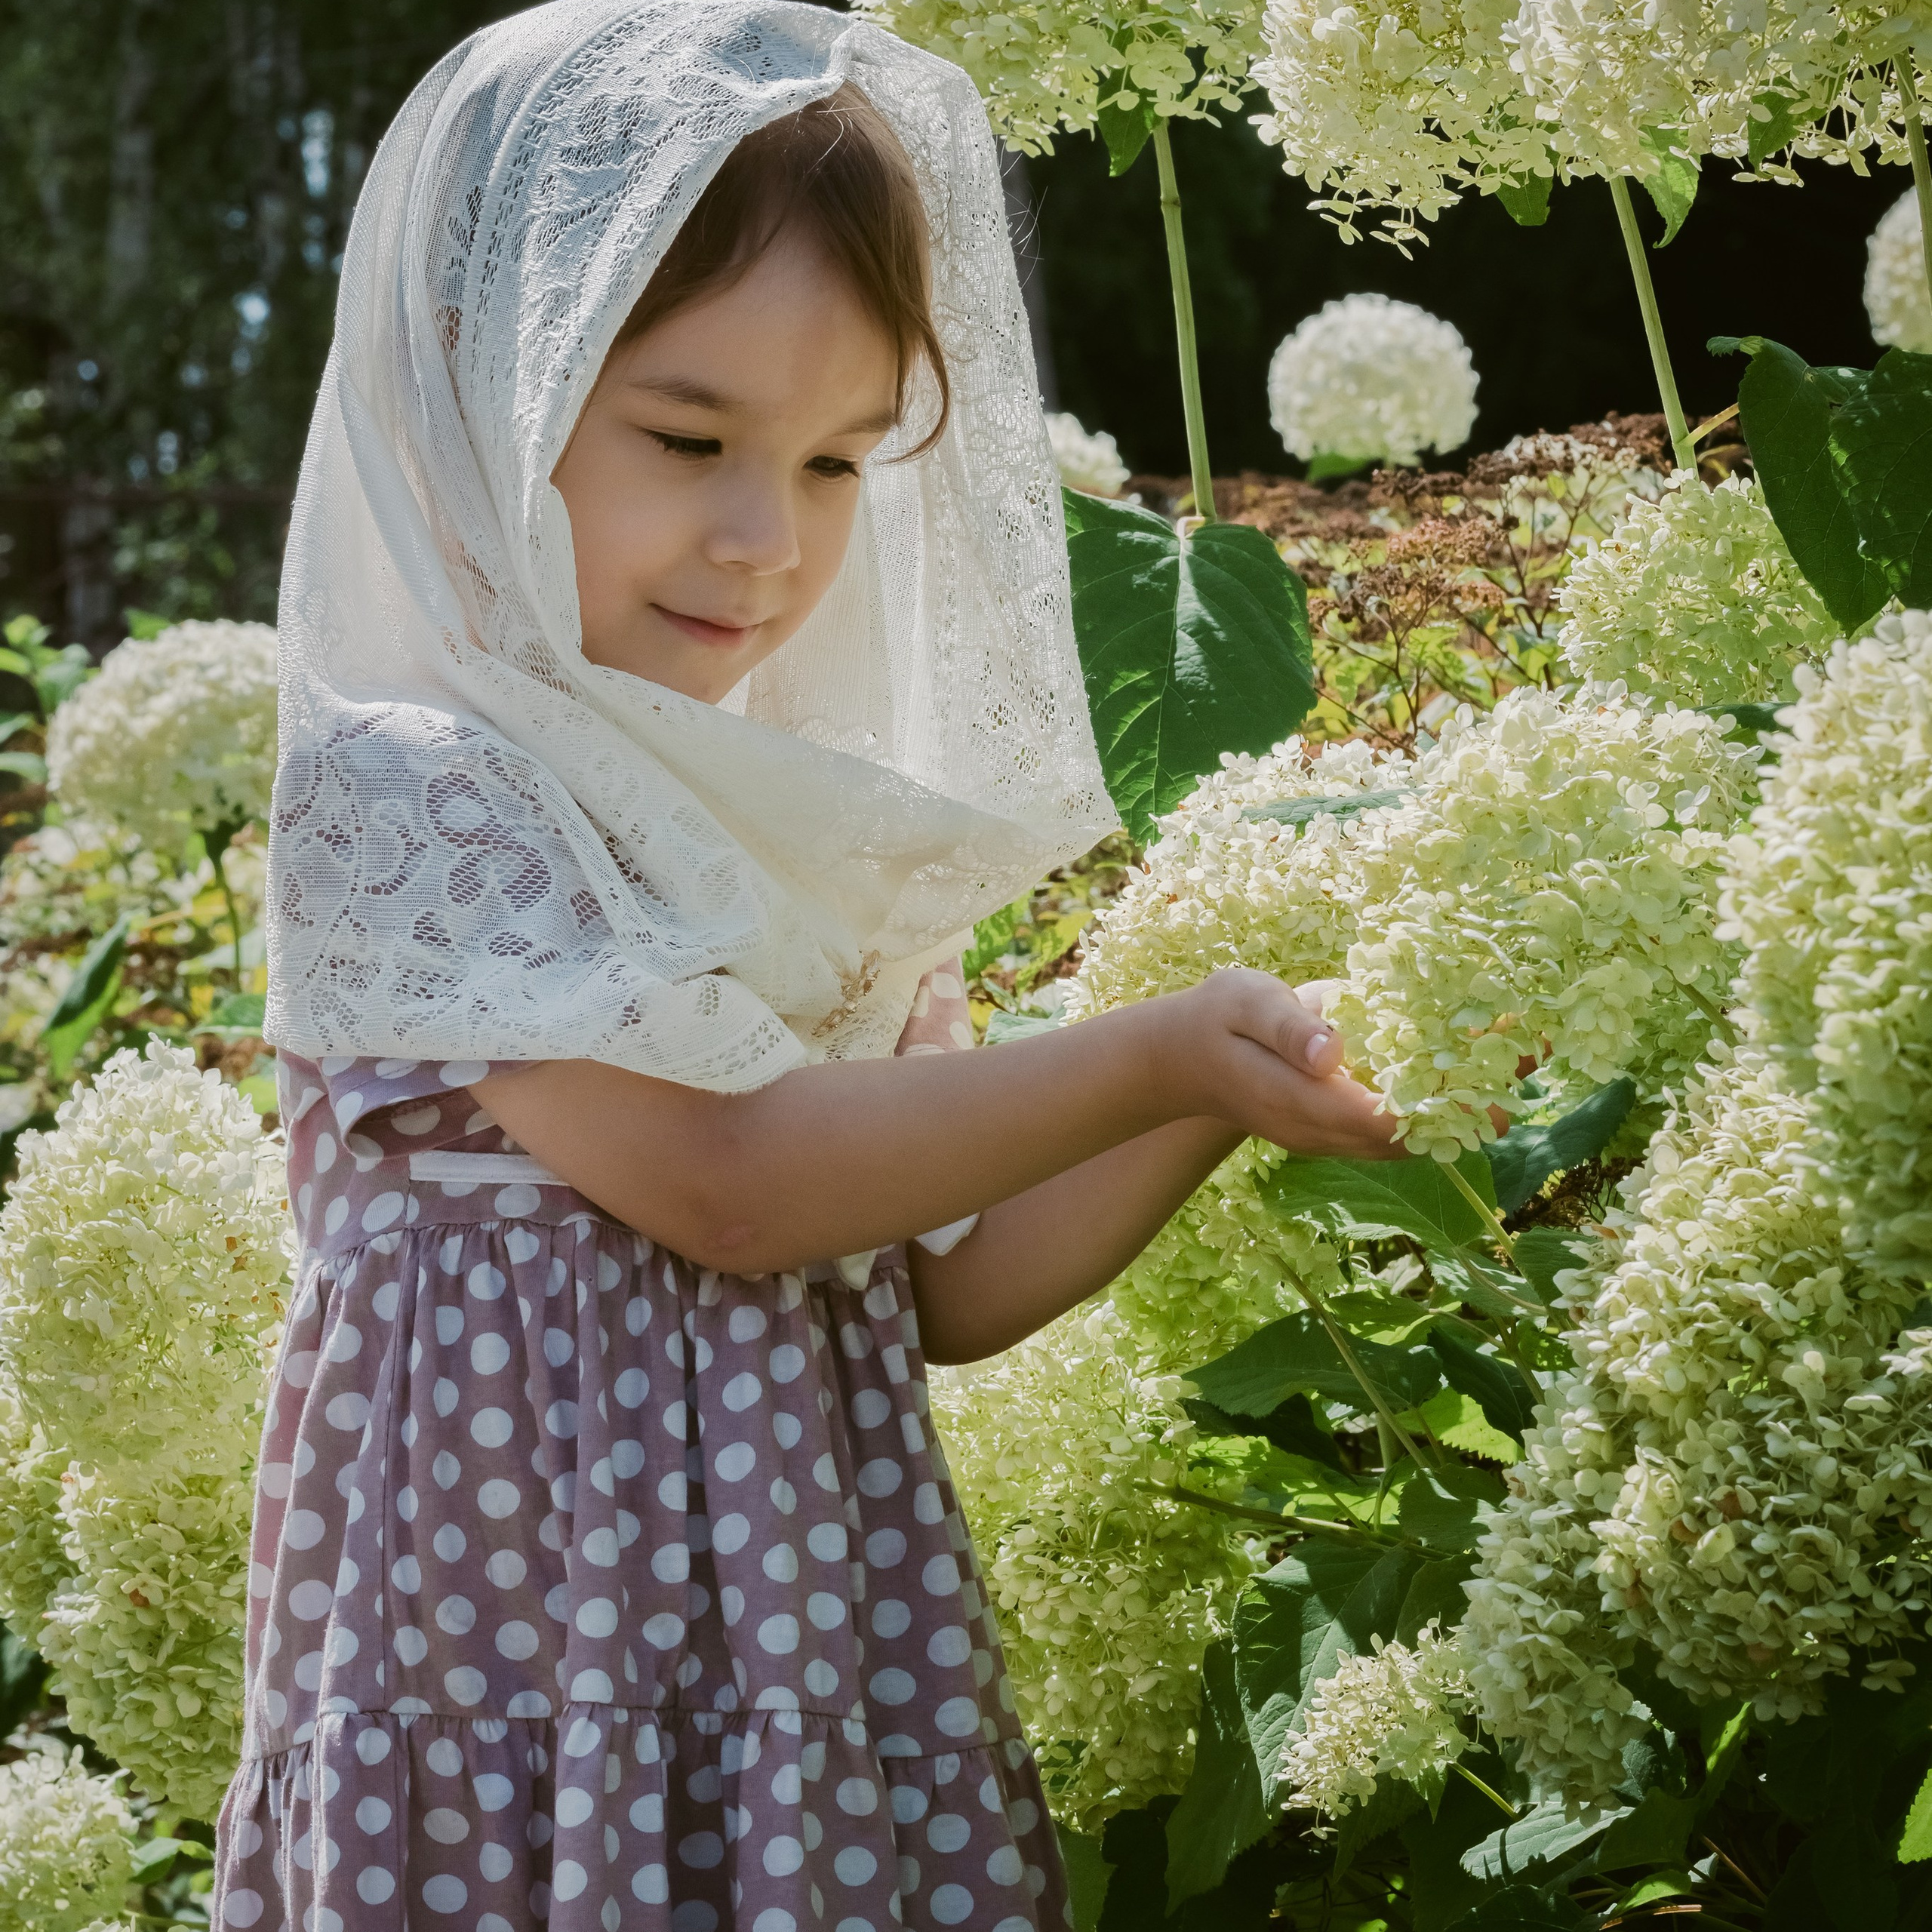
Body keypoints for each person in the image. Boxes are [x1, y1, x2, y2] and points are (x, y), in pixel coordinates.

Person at [212, 4, 1397, 1927]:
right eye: (689, 440)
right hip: (517, 1700)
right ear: (477, 390)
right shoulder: (429, 780)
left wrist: (1219, 1090)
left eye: (840, 462)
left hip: (801, 1691)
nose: (765, 539)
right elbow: (734, 1183)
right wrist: (1148, 1051)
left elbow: (945, 1277)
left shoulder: (786, 826)